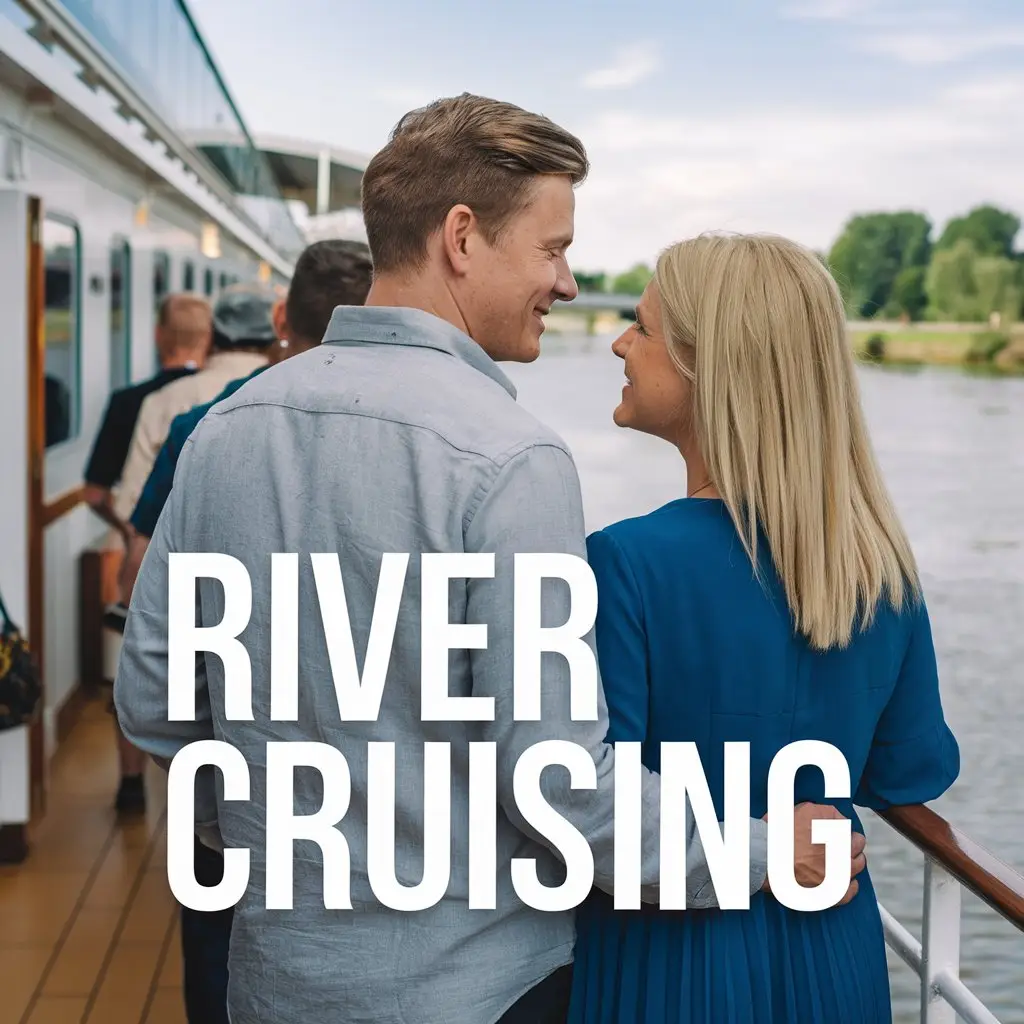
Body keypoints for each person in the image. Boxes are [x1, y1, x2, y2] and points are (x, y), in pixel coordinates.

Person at [114, 95, 866, 1024]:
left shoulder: (225, 431)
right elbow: (562, 795)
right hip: (475, 992)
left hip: (274, 983)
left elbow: (153, 697)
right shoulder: (509, 458)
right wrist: (766, 852)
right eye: (551, 249)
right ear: (462, 238)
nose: (567, 283)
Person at [567, 233, 960, 1024]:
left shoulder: (625, 564)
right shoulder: (879, 569)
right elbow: (910, 773)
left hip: (669, 967)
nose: (618, 341)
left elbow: (583, 806)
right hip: (834, 956)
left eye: (640, 327)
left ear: (707, 366)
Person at [119, 240, 372, 1024]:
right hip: (373, 815)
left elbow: (151, 608)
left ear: (278, 319)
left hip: (232, 782)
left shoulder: (208, 426)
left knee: (219, 962)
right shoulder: (412, 441)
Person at [82, 293, 208, 814]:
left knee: (136, 668)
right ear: (208, 338)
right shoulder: (229, 394)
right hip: (210, 561)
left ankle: (131, 783)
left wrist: (129, 529)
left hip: (140, 553)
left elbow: (96, 493)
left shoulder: (131, 400)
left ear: (159, 334)